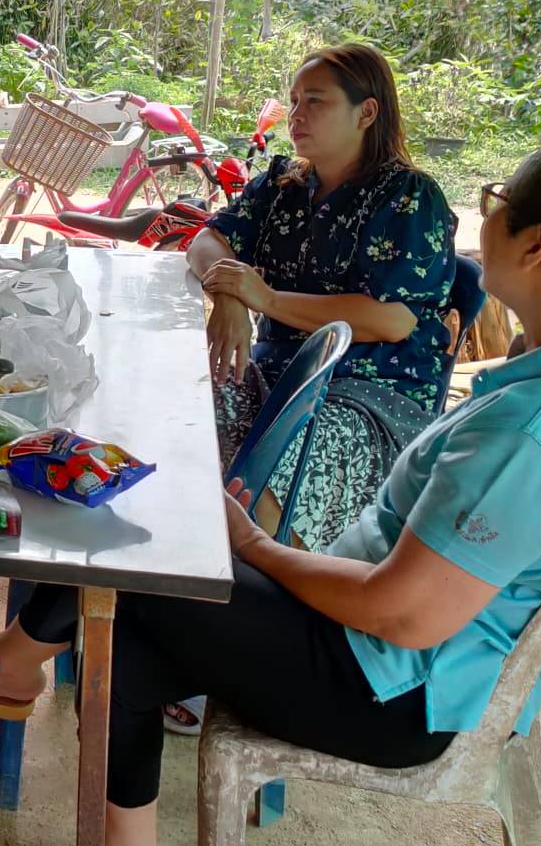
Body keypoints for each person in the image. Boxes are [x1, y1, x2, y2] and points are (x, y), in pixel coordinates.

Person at [0, 120, 541, 846]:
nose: (485, 216)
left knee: (143, 546)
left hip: (392, 689)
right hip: (423, 653)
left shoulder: (537, 433)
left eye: (500, 201)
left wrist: (257, 548)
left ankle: (14, 665)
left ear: (538, 246)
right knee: (142, 594)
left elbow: (402, 614)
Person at [188, 43, 458, 553]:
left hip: (370, 393)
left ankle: (271, 583)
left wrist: (264, 299)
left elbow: (392, 320)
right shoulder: (283, 184)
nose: (297, 115)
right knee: (182, 413)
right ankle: (181, 567)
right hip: (277, 373)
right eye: (294, 101)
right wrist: (230, 293)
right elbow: (207, 240)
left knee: (277, 467)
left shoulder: (407, 196)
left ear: (366, 112)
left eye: (316, 101)